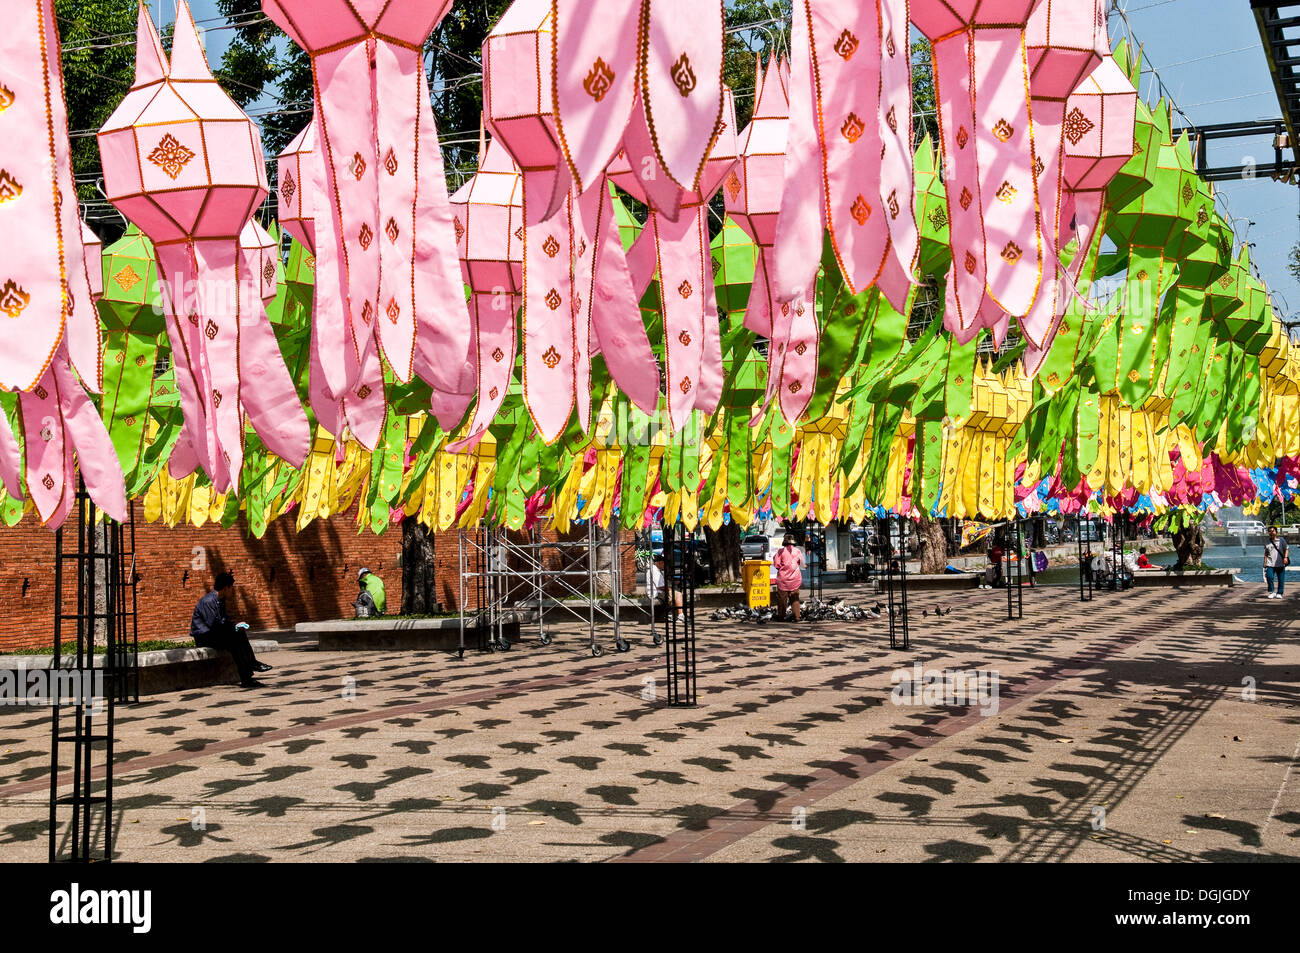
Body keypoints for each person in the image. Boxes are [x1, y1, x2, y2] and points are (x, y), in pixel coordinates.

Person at [190, 571, 271, 688]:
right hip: (204, 637)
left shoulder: (220, 599)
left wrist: (235, 626)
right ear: (225, 588)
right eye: (231, 588)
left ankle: (251, 667)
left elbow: (223, 620)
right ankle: (248, 674)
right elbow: (214, 624)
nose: (232, 591)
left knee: (239, 634)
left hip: (214, 634)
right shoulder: (209, 601)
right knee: (235, 641)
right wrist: (232, 628)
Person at [772, 535, 805, 621]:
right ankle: (797, 616)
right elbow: (802, 564)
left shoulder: (780, 551)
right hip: (795, 579)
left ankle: (781, 617)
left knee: (782, 599)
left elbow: (776, 564)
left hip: (783, 579)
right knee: (795, 599)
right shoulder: (798, 551)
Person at [646, 552, 682, 620]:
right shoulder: (654, 571)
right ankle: (680, 615)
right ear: (659, 563)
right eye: (663, 563)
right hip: (657, 593)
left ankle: (671, 614)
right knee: (678, 595)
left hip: (660, 592)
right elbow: (661, 586)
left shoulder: (657, 570)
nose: (664, 565)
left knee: (676, 595)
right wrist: (670, 589)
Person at [1264, 526, 1290, 599]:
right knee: (1269, 577)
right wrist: (1264, 561)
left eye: (1273, 531)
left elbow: (1286, 549)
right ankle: (1272, 592)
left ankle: (1279, 593)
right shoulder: (1267, 541)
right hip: (1270, 563)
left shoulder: (1281, 540)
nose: (1271, 533)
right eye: (1269, 531)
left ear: (1276, 532)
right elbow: (1266, 552)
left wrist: (1285, 557)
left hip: (1280, 563)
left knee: (1281, 579)